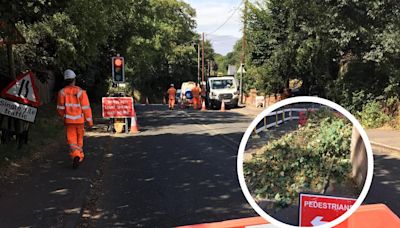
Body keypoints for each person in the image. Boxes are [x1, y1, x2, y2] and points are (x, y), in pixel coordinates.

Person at [57, 69, 93, 169]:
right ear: (74, 80)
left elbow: (60, 108)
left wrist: (62, 116)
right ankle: (79, 156)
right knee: (80, 138)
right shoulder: (81, 92)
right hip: (80, 121)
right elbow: (86, 108)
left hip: (69, 121)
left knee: (72, 141)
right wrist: (90, 121)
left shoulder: (62, 93)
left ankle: (77, 155)